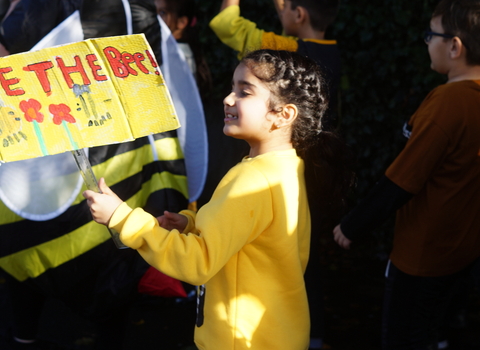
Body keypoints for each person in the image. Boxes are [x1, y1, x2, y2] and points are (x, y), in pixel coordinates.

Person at [84, 49, 353, 350]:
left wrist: (122, 218)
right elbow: (251, 235)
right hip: (276, 334)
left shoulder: (252, 179)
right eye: (232, 88)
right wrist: (190, 224)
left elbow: (198, 262)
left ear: (284, 114)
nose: (228, 99)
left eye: (244, 92)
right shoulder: (288, 165)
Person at [332, 0, 480, 348]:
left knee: (405, 336)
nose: (427, 42)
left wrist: (353, 224)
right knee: (439, 332)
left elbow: (404, 178)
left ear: (455, 46)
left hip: (422, 257)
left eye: (432, 35)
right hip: (464, 249)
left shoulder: (448, 102)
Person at [210, 2, 343, 348]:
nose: (228, 98)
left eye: (281, 6)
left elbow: (228, 25)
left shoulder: (284, 53)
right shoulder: (333, 56)